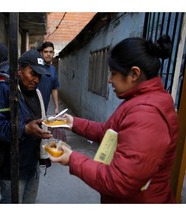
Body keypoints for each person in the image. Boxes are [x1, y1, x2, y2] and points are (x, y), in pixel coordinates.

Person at [49, 35, 179, 203]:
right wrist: (73, 123)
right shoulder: (141, 100)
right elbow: (111, 132)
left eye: (114, 73)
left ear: (134, 73)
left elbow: (120, 181)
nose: (110, 80)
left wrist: (72, 159)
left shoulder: (147, 114)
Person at [0, 49, 52, 203]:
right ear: (19, 71)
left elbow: (41, 122)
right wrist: (24, 129)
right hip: (12, 169)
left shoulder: (37, 94)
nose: (36, 80)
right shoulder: (3, 89)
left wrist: (44, 153)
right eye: (33, 74)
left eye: (39, 76)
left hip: (31, 166)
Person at [38, 41, 59, 115]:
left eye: (51, 52)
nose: (48, 54)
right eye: (46, 52)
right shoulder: (36, 67)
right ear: (41, 53)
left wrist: (56, 107)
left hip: (44, 109)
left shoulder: (53, 69)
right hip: (32, 108)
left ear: (53, 53)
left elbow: (54, 88)